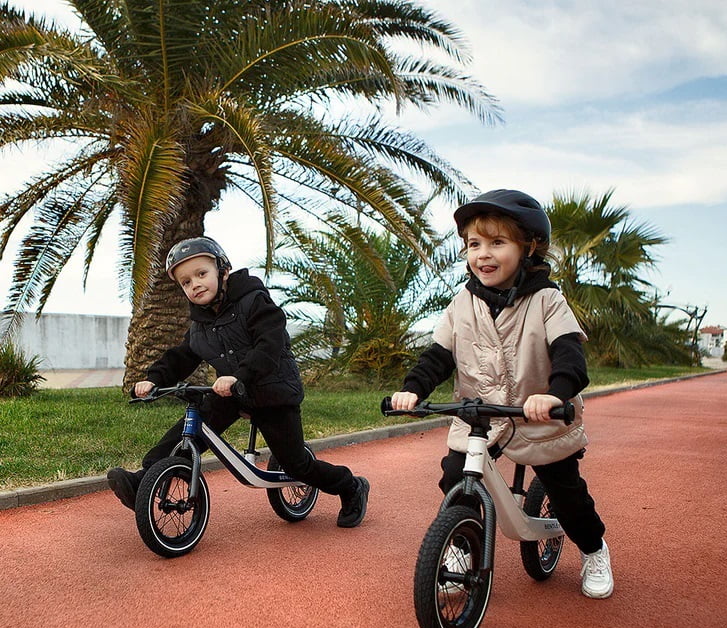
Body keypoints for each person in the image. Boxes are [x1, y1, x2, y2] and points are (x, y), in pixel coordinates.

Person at [390, 189, 613, 597]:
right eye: (475, 245)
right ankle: (459, 544)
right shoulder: (462, 303)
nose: (483, 255)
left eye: (498, 242)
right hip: (481, 417)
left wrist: (555, 395)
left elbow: (570, 359)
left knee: (567, 496)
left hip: (540, 419)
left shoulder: (547, 300)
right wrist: (411, 389)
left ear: (528, 247)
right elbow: (437, 358)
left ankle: (593, 548)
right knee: (456, 477)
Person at [107, 236, 369, 528]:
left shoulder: (254, 301)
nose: (194, 284)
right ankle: (143, 482)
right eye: (185, 282)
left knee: (297, 465)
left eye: (201, 274)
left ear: (223, 271)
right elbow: (181, 357)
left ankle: (350, 486)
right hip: (234, 393)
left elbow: (268, 345)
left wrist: (240, 376)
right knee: (187, 432)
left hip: (274, 393)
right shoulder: (200, 326)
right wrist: (153, 380)